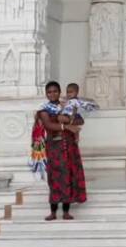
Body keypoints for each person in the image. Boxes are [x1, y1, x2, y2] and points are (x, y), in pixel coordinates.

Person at [34, 81, 87, 221]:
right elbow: (48, 125)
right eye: (49, 92)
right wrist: (66, 126)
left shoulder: (67, 106)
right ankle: (53, 212)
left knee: (68, 176)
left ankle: (66, 212)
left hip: (69, 146)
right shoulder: (43, 109)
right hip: (54, 148)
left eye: (55, 91)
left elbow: (80, 121)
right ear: (46, 94)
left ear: (59, 92)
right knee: (55, 177)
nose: (52, 94)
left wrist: (68, 118)